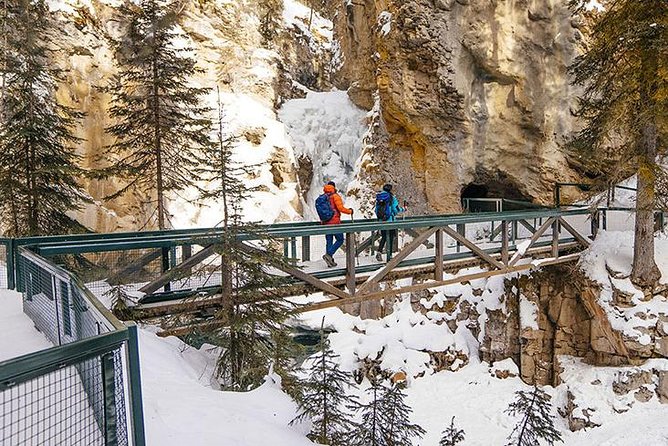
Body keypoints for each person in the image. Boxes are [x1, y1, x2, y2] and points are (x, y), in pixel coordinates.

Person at [319, 181, 353, 267]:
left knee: (329, 240)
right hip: (334, 222)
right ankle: (329, 255)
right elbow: (341, 208)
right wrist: (350, 211)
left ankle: (330, 261)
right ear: (334, 187)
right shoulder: (335, 196)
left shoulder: (323, 197)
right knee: (340, 239)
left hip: (326, 222)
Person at [375, 183, 405, 261]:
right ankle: (390, 255)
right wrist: (403, 209)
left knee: (384, 237)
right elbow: (396, 210)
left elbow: (376, 210)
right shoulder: (392, 198)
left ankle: (379, 252)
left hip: (382, 221)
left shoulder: (379, 197)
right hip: (390, 221)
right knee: (391, 237)